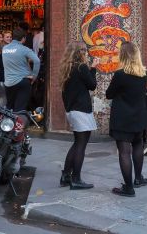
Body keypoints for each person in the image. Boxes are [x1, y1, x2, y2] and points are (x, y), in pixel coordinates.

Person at [106, 42, 147, 197]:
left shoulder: (120, 74)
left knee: (124, 152)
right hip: (139, 116)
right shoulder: (144, 73)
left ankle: (128, 188)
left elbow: (109, 94)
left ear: (122, 55)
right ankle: (138, 178)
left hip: (123, 117)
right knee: (138, 146)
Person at [60, 42, 99, 190]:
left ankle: (65, 175)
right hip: (81, 110)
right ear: (80, 52)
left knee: (77, 143)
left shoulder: (67, 67)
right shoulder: (81, 67)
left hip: (72, 110)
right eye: (85, 50)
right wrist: (94, 68)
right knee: (81, 146)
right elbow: (92, 85)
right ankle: (76, 179)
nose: (87, 53)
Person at [2, 28, 40, 111]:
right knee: (20, 109)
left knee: (9, 109)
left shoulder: (5, 49)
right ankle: (20, 123)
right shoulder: (24, 49)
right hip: (22, 82)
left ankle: (8, 123)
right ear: (23, 38)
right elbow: (37, 61)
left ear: (13, 37)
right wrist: (34, 76)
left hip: (8, 83)